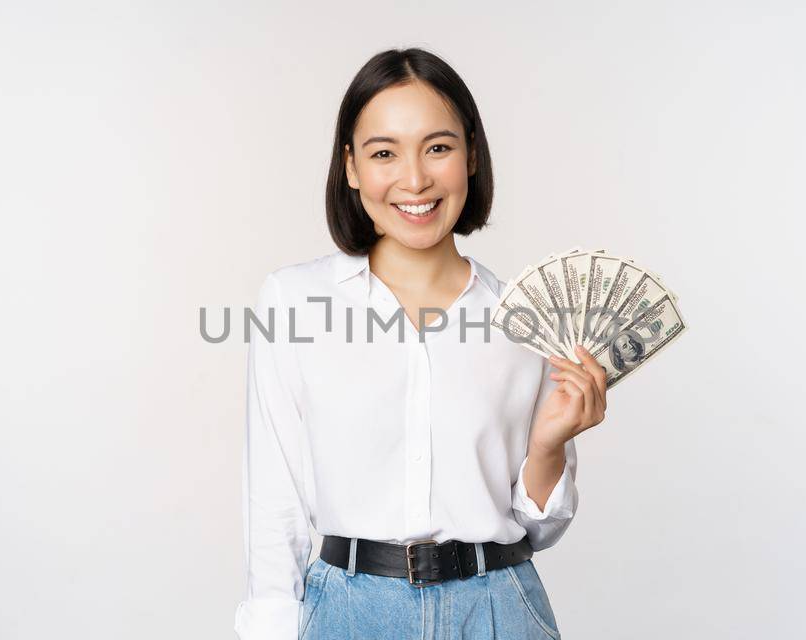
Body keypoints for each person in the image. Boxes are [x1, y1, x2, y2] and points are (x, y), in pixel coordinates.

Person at [233, 47, 610, 640]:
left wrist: (548, 447)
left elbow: (538, 529)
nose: (415, 179)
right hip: (348, 615)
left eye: (438, 147)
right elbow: (274, 504)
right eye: (385, 153)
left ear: (472, 156)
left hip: (498, 609)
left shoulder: (526, 319)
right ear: (352, 166)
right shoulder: (294, 301)